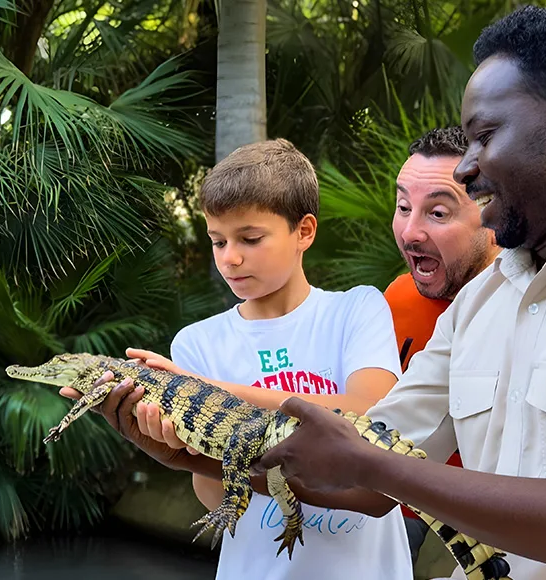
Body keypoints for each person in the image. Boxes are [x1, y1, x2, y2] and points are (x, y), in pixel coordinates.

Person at [251, 4, 546, 574]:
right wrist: (191, 448)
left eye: (486, 136)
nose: (468, 168)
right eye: (403, 207)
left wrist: (373, 467)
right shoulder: (474, 306)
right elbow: (370, 466)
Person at [66, 139, 412, 580]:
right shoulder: (196, 343)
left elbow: (369, 414)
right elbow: (214, 496)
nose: (230, 258)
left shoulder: (357, 308)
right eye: (217, 241)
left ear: (304, 231)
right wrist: (174, 446)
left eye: (250, 238)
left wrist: (203, 390)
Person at [384, 126, 500, 564]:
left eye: (437, 213)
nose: (410, 232)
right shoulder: (393, 300)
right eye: (402, 207)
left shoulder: (530, 308)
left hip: (494, 521)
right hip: (397, 507)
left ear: (493, 214)